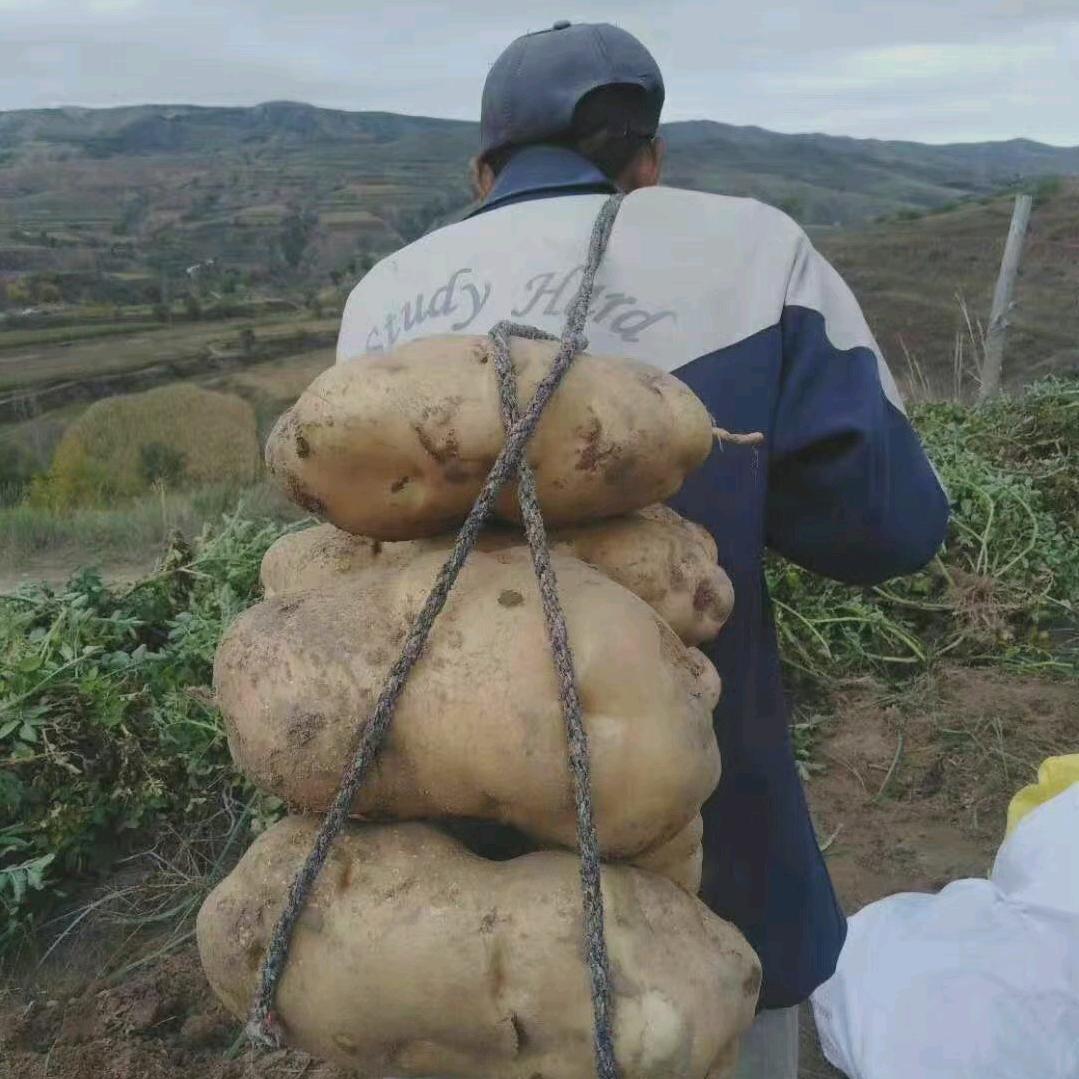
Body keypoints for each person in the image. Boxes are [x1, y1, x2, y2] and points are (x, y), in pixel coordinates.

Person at [336, 21, 950, 1078]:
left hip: (436, 899)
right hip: (708, 841)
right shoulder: (752, 251)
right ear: (648, 162)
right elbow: (890, 529)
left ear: (482, 172)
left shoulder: (380, 299)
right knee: (713, 1022)